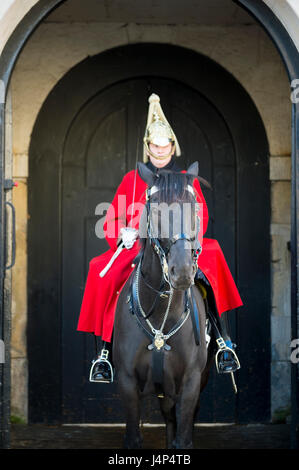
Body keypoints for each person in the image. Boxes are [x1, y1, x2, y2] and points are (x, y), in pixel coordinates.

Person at [77, 93, 243, 383]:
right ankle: (103, 353)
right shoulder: (132, 179)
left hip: (180, 245)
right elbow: (113, 219)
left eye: (165, 146)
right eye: (155, 145)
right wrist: (122, 234)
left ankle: (222, 341)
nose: (160, 150)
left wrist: (188, 241)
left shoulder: (183, 178)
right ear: (148, 148)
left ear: (172, 147)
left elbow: (199, 216)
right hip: (140, 248)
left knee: (212, 260)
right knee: (99, 270)